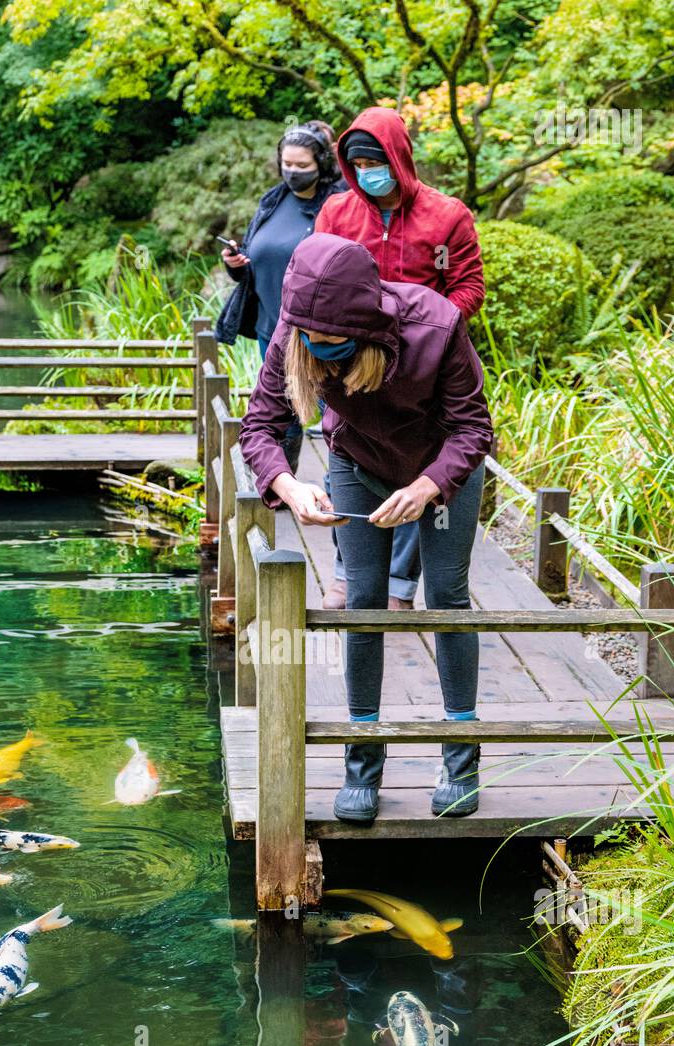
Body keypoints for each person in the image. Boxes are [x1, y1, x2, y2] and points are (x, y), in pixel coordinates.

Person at [239, 232, 493, 823]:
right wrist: (289, 484)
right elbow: (260, 425)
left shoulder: (435, 326)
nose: (319, 348)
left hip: (440, 472)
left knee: (448, 598)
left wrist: (428, 487)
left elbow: (473, 429)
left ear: (367, 325)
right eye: (310, 339)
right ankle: (363, 760)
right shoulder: (295, 331)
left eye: (333, 341)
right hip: (356, 464)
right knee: (362, 603)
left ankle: (460, 756)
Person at [314, 107, 486, 611]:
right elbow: (318, 280)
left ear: (397, 156)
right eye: (356, 162)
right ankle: (348, 572)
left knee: (421, 464)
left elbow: (469, 284)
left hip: (426, 371)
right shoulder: (337, 214)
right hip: (351, 365)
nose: (367, 170)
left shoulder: (447, 214)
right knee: (346, 455)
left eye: (374, 159)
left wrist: (434, 332)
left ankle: (399, 585)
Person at [215, 122, 345, 474]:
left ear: (321, 163)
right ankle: (283, 485)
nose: (293, 172)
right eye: (287, 164)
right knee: (281, 409)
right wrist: (236, 264)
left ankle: (344, 488)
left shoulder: (338, 201)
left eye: (302, 166)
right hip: (270, 326)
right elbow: (255, 260)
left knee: (337, 409)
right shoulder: (273, 200)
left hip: (322, 330)